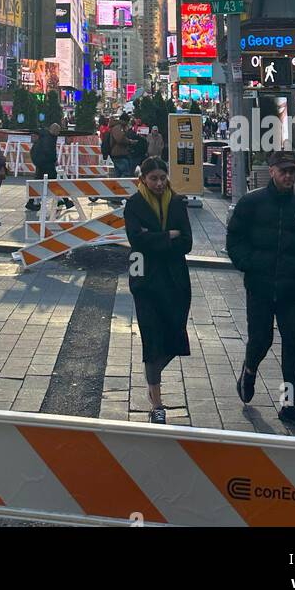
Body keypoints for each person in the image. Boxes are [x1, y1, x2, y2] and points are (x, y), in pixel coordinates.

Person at [226, 150, 295, 430]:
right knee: (260, 340)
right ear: (271, 171)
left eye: (292, 171)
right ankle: (249, 370)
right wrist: (248, 262)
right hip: (259, 286)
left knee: (292, 345)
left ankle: (288, 404)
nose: (288, 176)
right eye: (283, 171)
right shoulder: (252, 203)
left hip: (290, 289)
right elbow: (235, 238)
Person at [124, 158, 193, 424]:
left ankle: (151, 374)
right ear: (143, 180)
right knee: (152, 340)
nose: (159, 183)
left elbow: (187, 242)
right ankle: (157, 402)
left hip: (175, 280)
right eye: (153, 178)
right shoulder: (134, 204)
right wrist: (168, 236)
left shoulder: (177, 202)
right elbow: (136, 240)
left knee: (175, 335)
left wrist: (155, 238)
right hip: (144, 279)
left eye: (163, 178)